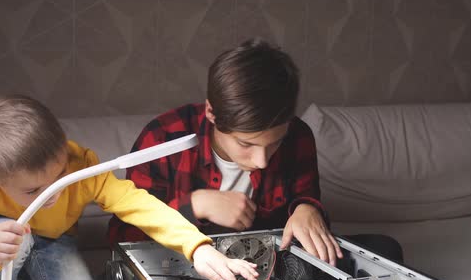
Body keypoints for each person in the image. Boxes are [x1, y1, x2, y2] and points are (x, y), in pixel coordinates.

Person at [106, 38, 403, 267]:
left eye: (273, 144)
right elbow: (124, 240)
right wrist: (193, 206)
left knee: (386, 250)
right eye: (246, 144)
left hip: (266, 262)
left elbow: (304, 205)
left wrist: (307, 209)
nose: (261, 161)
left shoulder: (298, 136)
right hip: (186, 263)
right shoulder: (163, 137)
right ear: (211, 112)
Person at [0, 95, 258, 280]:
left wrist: (197, 246)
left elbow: (136, 203)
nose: (52, 192)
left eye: (60, 176)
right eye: (33, 191)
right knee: (5, 230)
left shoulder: (81, 162)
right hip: (0, 247)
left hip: (55, 244)